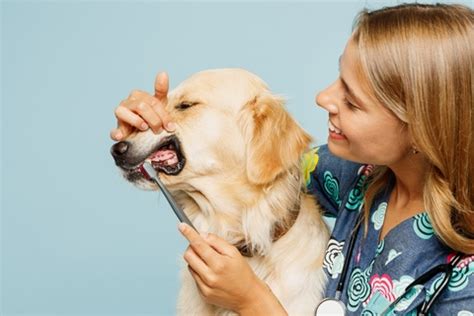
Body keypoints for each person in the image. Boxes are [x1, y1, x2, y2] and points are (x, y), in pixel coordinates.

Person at [110, 3, 473, 315]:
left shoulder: (465, 276)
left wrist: (252, 301)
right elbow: (241, 170)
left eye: (352, 100)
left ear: (420, 125)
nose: (322, 97)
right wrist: (149, 138)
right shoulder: (353, 174)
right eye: (338, 77)